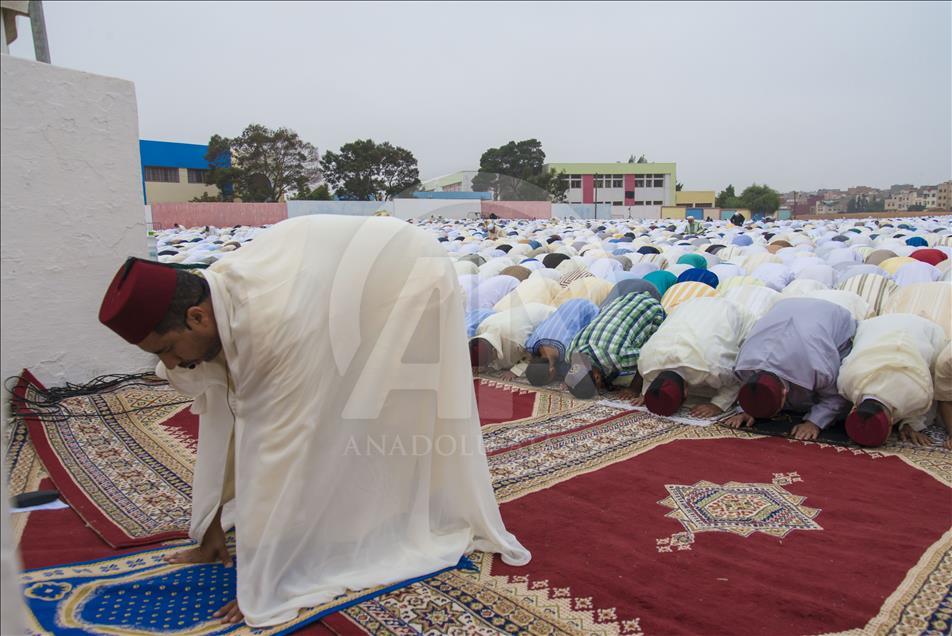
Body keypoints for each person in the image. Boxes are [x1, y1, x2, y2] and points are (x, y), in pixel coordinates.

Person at [98, 216, 530, 628]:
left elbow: (278, 450)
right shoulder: (217, 299)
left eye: (168, 349)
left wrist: (266, 581)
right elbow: (220, 417)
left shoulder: (269, 330)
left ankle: (399, 504)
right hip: (340, 279)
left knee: (379, 410)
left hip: (406, 275)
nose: (172, 364)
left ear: (197, 317)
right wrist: (209, 527)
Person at [727, 297, 856, 441]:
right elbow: (749, 388)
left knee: (847, 375)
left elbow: (836, 396)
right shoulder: (744, 365)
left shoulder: (816, 367)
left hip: (833, 315)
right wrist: (747, 409)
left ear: (784, 393)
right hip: (785, 306)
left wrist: (814, 423)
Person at [837, 314, 947, 447]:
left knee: (938, 368)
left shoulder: (918, 393)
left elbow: (928, 401)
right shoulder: (846, 381)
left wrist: (911, 425)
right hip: (876, 324)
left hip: (925, 330)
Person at [637, 296, 752, 418]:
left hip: (730, 310)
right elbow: (649, 375)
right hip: (688, 305)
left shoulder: (714, 367)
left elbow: (737, 379)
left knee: (748, 354)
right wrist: (648, 394)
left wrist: (717, 405)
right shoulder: (645, 361)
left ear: (686, 392)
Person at [563, 292, 666, 399]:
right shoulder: (570, 352)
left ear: (597, 377)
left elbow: (648, 356)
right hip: (623, 298)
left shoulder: (618, 357)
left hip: (652, 309)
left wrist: (634, 388)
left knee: (651, 344)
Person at [524, 298, 600, 386]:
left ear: (552, 371)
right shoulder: (531, 344)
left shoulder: (568, 349)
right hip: (568, 303)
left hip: (589, 309)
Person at [470, 303, 556, 380]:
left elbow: (530, 355)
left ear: (493, 350)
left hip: (548, 316)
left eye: (488, 362)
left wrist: (515, 371)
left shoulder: (515, 341)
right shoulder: (481, 328)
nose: (488, 364)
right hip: (524, 313)